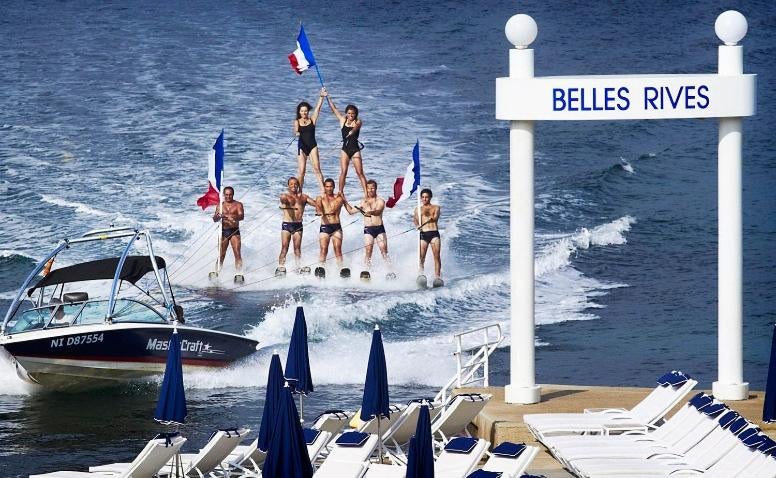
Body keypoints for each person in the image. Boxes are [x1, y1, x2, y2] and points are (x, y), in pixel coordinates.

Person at [323, 88, 367, 195]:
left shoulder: (358, 121)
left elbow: (357, 127)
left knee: (359, 172)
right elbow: (334, 109)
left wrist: (352, 131)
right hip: (345, 150)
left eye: (353, 114)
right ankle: (340, 192)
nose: (351, 115)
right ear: (346, 113)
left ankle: (366, 193)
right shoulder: (343, 120)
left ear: (355, 114)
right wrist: (327, 97)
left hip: (355, 149)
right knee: (343, 172)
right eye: (349, 113)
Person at [343, 179, 390, 269]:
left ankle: (389, 270)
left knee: (384, 251)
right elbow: (351, 211)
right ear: (366, 189)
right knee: (368, 251)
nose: (370, 190)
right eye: (369, 188)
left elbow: (378, 211)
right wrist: (344, 201)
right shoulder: (363, 202)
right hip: (368, 230)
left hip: (380, 229)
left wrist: (371, 212)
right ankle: (367, 270)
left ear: (376, 189)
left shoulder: (380, 201)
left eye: (372, 188)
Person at [278, 177, 317, 272]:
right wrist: (284, 199)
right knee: (284, 248)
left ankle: (298, 267)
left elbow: (316, 204)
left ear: (298, 185)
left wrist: (320, 201)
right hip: (287, 225)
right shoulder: (285, 196)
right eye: (291, 184)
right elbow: (283, 199)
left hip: (298, 225)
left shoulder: (304, 197)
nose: (293, 186)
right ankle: (280, 267)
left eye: (295, 184)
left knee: (297, 249)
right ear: (288, 186)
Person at [294, 89, 326, 193]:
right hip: (302, 148)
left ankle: (323, 191)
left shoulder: (312, 119)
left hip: (312, 146)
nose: (304, 112)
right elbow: (295, 130)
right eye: (302, 111)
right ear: (299, 112)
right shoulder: (296, 121)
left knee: (317, 169)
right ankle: (300, 192)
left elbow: (318, 108)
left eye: (306, 111)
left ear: (308, 111)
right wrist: (297, 133)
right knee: (302, 171)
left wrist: (321, 96)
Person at [213, 186, 244, 273]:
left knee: (237, 253)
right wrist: (217, 217)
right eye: (226, 195)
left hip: (234, 231)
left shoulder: (238, 204)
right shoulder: (220, 205)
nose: (228, 197)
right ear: (223, 195)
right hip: (223, 232)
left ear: (233, 195)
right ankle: (217, 272)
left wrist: (230, 216)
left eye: (230, 195)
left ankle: (239, 273)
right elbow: (215, 219)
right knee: (221, 255)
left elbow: (241, 216)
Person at [315, 178, 345, 268]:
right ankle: (321, 268)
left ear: (334, 187)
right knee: (324, 249)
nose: (329, 188)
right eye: (327, 186)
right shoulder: (320, 198)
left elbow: (336, 206)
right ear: (324, 187)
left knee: (338, 249)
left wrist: (329, 210)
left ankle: (341, 268)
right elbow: (318, 207)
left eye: (331, 186)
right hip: (325, 227)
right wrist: (320, 211)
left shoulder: (339, 198)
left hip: (336, 227)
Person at [413, 188, 442, 282]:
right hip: (423, 234)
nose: (424, 199)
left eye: (426, 197)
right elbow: (415, 220)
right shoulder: (418, 208)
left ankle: (437, 277)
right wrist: (417, 225)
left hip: (434, 234)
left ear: (430, 197)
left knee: (436, 256)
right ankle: (421, 275)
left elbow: (435, 218)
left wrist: (430, 217)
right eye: (423, 197)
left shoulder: (436, 207)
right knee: (421, 257)